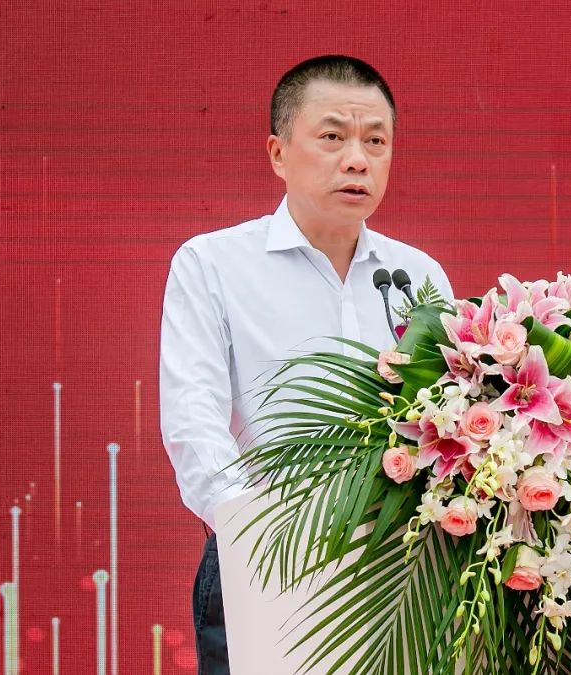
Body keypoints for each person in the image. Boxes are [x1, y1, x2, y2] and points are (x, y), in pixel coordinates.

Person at [159, 55, 453, 674]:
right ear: (278, 153)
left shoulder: (418, 275)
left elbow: (449, 419)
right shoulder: (212, 265)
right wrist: (263, 533)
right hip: (265, 556)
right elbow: (193, 421)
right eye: (332, 137)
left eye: (376, 142)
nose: (357, 160)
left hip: (400, 574)